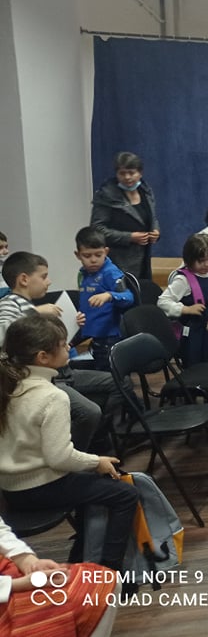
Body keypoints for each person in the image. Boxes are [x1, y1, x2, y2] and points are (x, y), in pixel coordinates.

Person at [0, 315, 139, 575]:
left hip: (10, 490)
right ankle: (110, 572)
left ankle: (82, 559)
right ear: (43, 357)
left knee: (94, 487)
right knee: (125, 494)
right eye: (63, 344)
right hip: (40, 487)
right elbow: (60, 458)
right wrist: (96, 461)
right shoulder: (52, 397)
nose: (68, 347)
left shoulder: (9, 385)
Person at [0, 251, 115, 452]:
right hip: (38, 379)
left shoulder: (27, 305)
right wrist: (36, 312)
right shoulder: (9, 303)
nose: (49, 281)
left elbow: (36, 342)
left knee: (116, 383)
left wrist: (68, 332)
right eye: (44, 276)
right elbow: (3, 334)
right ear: (24, 279)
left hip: (59, 371)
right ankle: (67, 455)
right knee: (89, 412)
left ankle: (96, 442)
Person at [0, 515, 119, 637]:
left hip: (8, 570)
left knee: (104, 580)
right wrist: (16, 584)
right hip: (6, 588)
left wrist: (30, 563)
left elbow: (1, 531)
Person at [158, 233, 208, 367]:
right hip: (195, 337)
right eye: (201, 261)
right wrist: (186, 309)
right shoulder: (183, 280)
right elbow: (162, 302)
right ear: (189, 258)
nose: (206, 265)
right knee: (196, 367)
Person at [90, 151, 160, 279]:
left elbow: (152, 217)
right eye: (122, 173)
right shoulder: (106, 195)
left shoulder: (145, 191)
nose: (127, 177)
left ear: (140, 173)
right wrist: (129, 237)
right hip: (118, 262)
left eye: (131, 173)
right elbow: (97, 229)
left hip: (144, 259)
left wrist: (155, 231)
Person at [74, 226, 135, 372]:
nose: (93, 260)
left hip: (110, 336)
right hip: (94, 335)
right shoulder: (83, 274)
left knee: (111, 375)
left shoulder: (111, 273)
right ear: (78, 255)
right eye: (87, 256)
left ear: (106, 252)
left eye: (98, 254)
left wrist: (109, 295)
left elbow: (129, 297)